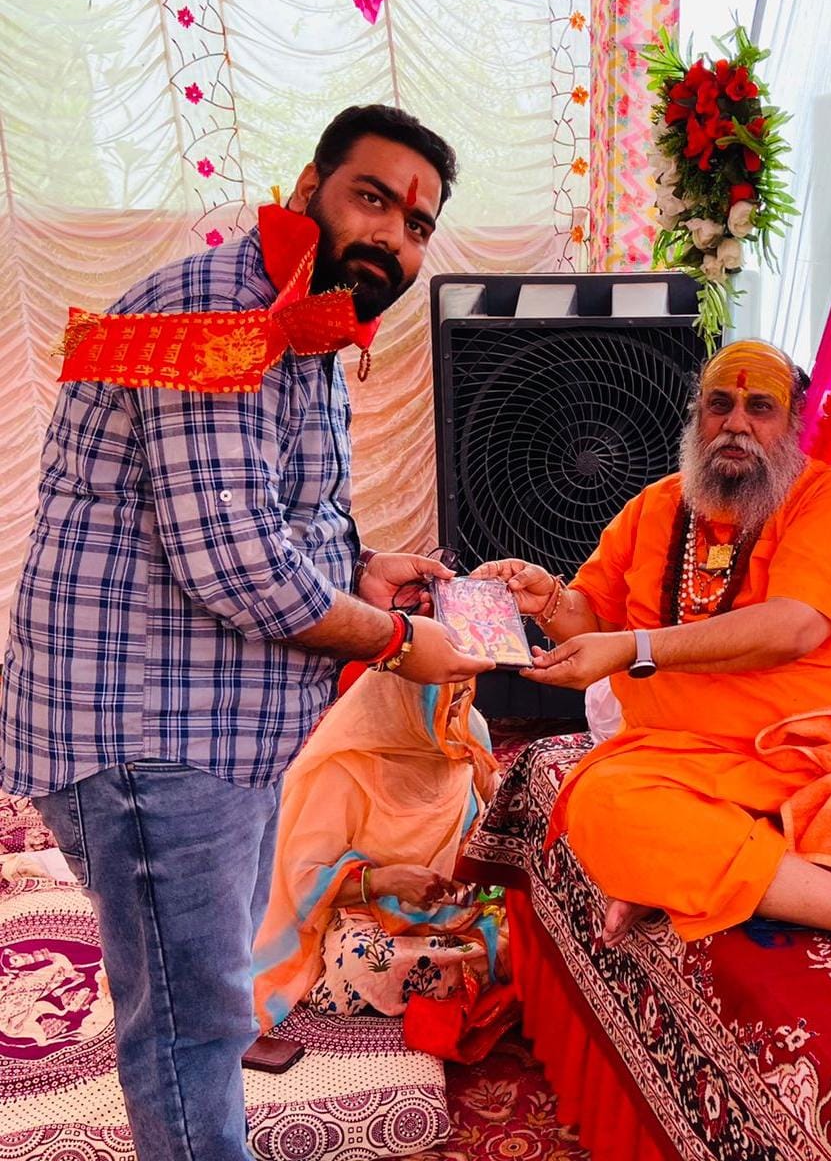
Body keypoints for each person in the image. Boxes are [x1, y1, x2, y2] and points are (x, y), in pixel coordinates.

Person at [0, 105, 492, 1161]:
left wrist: (361, 570)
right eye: (373, 198)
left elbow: (268, 522)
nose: (393, 237)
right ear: (309, 187)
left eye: (417, 225)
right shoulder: (222, 317)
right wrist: (399, 643)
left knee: (205, 994)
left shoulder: (303, 324)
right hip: (148, 736)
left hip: (207, 731)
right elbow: (235, 564)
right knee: (189, 1025)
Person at [476, 339, 831, 1014]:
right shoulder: (654, 508)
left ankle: (708, 864)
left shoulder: (828, 499)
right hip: (691, 757)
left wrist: (635, 647)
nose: (736, 424)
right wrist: (548, 601)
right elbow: (590, 617)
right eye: (720, 405)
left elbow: (792, 626)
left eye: (760, 407)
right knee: (608, 805)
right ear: (697, 417)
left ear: (792, 424)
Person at [251, 667, 509, 1031]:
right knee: (359, 963)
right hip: (372, 916)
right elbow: (301, 883)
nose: (458, 711)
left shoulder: (464, 734)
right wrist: (386, 881)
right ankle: (468, 969)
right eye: (445, 701)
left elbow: (496, 812)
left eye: (464, 696)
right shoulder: (344, 770)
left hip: (463, 904)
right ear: (403, 701)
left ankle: (468, 963)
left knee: (530, 929)